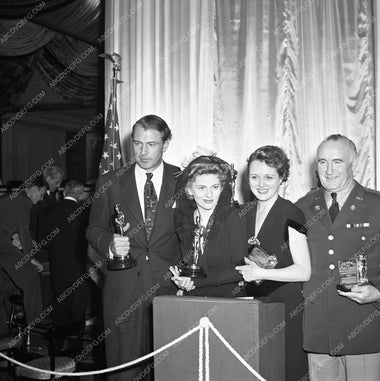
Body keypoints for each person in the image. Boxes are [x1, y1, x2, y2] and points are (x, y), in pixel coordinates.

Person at [295, 134, 380, 381]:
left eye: (337, 161)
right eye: (322, 162)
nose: (328, 170)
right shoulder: (302, 207)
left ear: (354, 163)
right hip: (318, 326)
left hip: (364, 323)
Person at [86, 114, 181, 381]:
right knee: (125, 372)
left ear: (166, 143)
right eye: (138, 144)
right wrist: (109, 244)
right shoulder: (111, 180)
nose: (143, 151)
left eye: (151, 144)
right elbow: (93, 229)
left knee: (171, 370)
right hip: (123, 291)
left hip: (170, 288)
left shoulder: (183, 179)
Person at [235, 145, 311, 381]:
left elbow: (304, 271)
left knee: (285, 370)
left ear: (282, 179)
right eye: (255, 177)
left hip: (285, 307)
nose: (261, 184)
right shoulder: (243, 212)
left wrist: (262, 273)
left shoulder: (294, 214)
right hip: (251, 306)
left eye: (269, 177)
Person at [169, 155, 246, 297]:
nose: (209, 194)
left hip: (227, 300)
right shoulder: (183, 220)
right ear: (189, 190)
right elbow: (183, 264)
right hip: (192, 299)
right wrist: (181, 280)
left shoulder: (233, 217)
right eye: (201, 188)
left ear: (222, 188)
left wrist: (195, 283)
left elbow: (239, 269)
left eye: (215, 187)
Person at [38, 180, 90, 340]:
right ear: (80, 194)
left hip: (58, 265)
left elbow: (42, 241)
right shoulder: (86, 213)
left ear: (63, 192)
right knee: (79, 304)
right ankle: (77, 342)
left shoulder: (48, 212)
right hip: (80, 265)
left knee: (60, 302)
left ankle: (59, 341)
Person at [0, 177, 45, 336]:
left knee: (3, 286)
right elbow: (24, 233)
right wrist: (30, 258)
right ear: (33, 190)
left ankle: (3, 334)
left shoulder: (10, 199)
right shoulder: (22, 201)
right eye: (40, 194)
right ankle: (35, 324)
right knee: (31, 275)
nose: (40, 199)